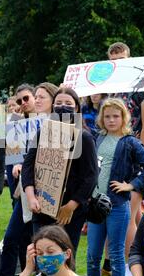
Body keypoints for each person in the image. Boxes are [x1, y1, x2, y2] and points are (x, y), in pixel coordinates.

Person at [86, 98, 144, 276]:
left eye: (115, 116)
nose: (111, 120)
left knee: (117, 257)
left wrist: (131, 185)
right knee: (92, 256)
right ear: (101, 118)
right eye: (107, 116)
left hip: (117, 205)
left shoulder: (130, 142)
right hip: (95, 205)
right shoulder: (98, 137)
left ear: (123, 118)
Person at [22, 87, 98, 253]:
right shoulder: (43, 133)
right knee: (40, 257)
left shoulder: (83, 137)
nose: (63, 106)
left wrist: (70, 206)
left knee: (64, 258)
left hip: (69, 214)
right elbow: (28, 166)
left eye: (68, 103)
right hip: (42, 208)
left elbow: (91, 176)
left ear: (76, 108)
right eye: (59, 103)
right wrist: (30, 197)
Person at [0, 83, 37, 276]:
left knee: (30, 238)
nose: (23, 104)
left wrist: (23, 163)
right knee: (16, 237)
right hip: (20, 188)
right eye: (19, 101)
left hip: (41, 190)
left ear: (35, 97)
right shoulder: (16, 125)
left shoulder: (47, 122)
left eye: (26, 99)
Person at [0, 225, 89, 276]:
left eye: (50, 252)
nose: (44, 257)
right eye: (39, 253)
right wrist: (27, 270)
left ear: (67, 254)